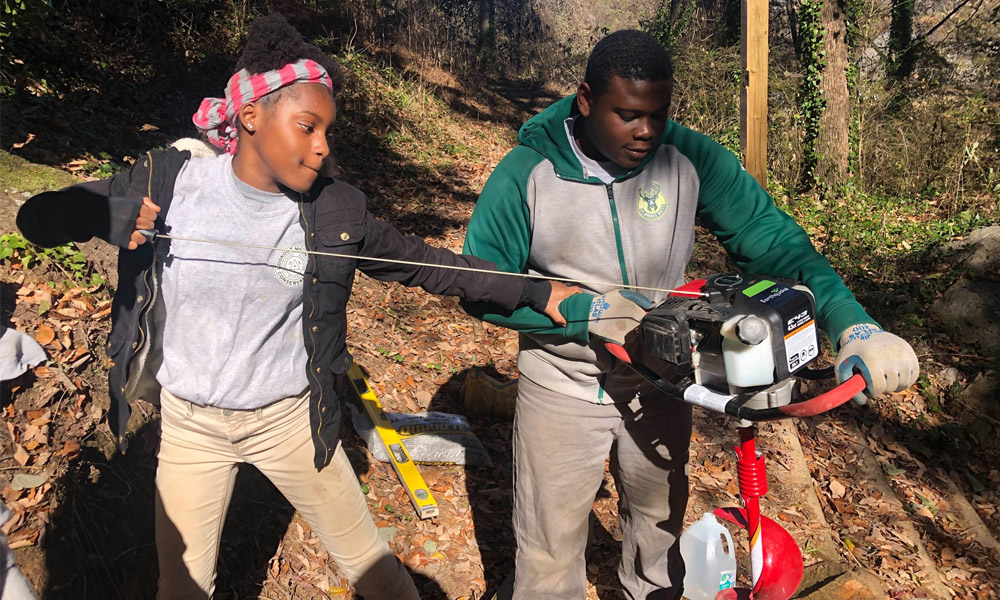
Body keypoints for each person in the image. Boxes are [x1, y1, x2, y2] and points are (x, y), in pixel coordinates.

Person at [16, 14, 577, 600]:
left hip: (289, 422)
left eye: (328, 132)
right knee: (181, 587)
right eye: (307, 126)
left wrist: (539, 291)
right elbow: (37, 220)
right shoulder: (168, 182)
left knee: (372, 568)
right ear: (251, 116)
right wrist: (103, 215)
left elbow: (426, 263)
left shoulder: (334, 213)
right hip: (190, 430)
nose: (321, 147)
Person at [461, 30, 919, 599]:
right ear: (585, 98)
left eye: (658, 113)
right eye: (627, 114)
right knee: (549, 557)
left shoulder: (688, 157)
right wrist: (585, 314)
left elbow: (777, 245)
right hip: (563, 388)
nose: (646, 131)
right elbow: (481, 286)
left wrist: (853, 324)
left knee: (659, 545)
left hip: (666, 388)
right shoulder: (526, 173)